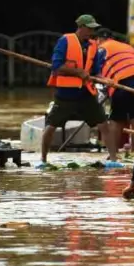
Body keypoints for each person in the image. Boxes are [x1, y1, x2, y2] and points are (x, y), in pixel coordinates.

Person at [41, 15, 106, 165]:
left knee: (103, 124)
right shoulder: (65, 41)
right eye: (89, 28)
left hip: (86, 93)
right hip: (66, 93)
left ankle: (114, 158)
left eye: (93, 29)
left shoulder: (92, 46)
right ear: (81, 27)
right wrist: (78, 72)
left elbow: (96, 71)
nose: (91, 31)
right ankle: (43, 159)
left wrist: (103, 79)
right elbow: (56, 67)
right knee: (51, 126)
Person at [97, 30, 134, 160]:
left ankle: (114, 153)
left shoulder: (102, 48)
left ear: (99, 39)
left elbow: (96, 70)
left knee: (117, 119)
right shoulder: (127, 46)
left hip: (121, 80)